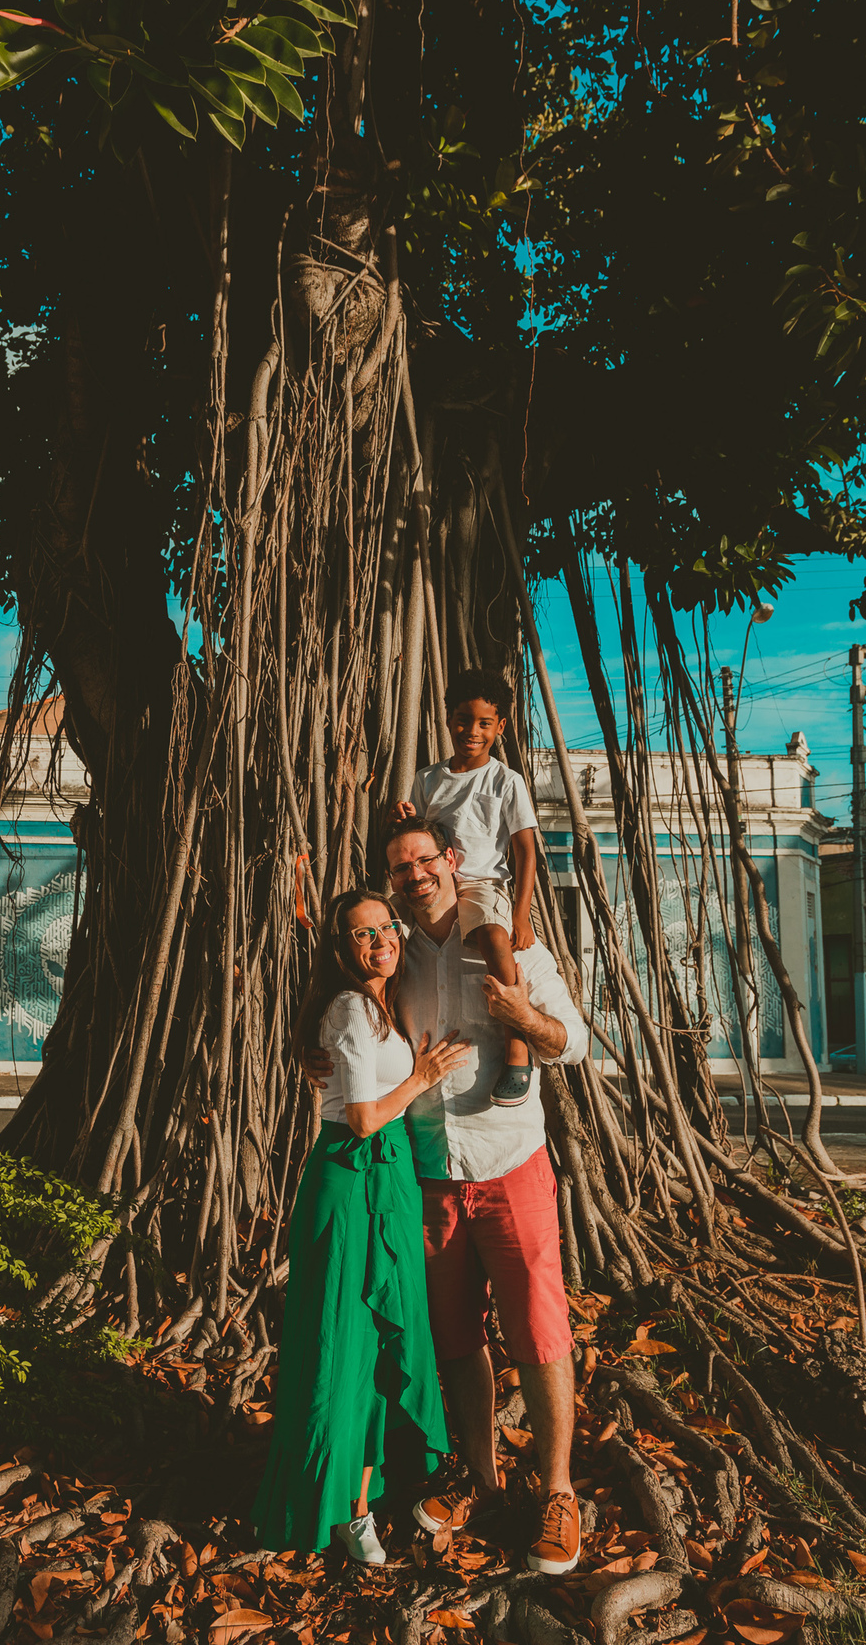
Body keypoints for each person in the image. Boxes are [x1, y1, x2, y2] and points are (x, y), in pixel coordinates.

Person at [308, 820, 589, 1576]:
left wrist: (524, 1019)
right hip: (427, 1178)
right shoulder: (392, 958)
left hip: (510, 1166)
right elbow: (345, 998)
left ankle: (559, 1493)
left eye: (425, 860)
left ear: (451, 861)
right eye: (400, 867)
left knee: (539, 1332)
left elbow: (579, 1039)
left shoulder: (507, 940)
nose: (414, 875)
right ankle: (484, 1480)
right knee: (456, 1339)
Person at [252, 888, 469, 1566]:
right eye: (360, 934)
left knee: (378, 1349)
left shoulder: (384, 1003)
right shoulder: (350, 1006)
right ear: (340, 948)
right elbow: (363, 1117)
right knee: (342, 1352)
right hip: (351, 1181)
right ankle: (340, 1507)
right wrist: (423, 1076)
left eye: (385, 928)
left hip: (392, 1181)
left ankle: (362, 1500)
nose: (378, 941)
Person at [392, 668, 538, 1107]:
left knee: (494, 937)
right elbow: (416, 834)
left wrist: (521, 914)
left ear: (501, 727)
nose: (471, 731)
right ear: (448, 718)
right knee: (381, 927)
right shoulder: (428, 779)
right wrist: (402, 819)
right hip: (429, 883)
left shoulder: (506, 781)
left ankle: (518, 1043)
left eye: (484, 723)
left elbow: (525, 851)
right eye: (462, 720)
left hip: (480, 884)